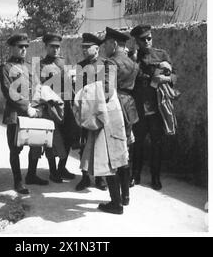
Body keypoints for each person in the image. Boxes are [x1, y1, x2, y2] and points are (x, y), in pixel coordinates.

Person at [0, 33, 48, 195]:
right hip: (15, 113)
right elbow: (9, 91)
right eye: (20, 47)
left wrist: (39, 105)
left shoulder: (29, 66)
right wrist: (27, 107)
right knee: (15, 148)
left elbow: (37, 87)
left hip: (32, 112)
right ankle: (18, 180)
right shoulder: (5, 67)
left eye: (26, 47)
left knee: (35, 145)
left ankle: (32, 175)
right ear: (12, 48)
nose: (24, 50)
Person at [130, 25, 177, 190]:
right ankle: (135, 175)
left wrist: (161, 79)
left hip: (157, 107)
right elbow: (129, 80)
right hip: (140, 107)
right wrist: (134, 60)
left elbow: (174, 76)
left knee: (157, 143)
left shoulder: (161, 54)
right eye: (143, 39)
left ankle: (155, 177)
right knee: (138, 142)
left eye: (149, 37)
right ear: (137, 41)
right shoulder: (133, 57)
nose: (147, 41)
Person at [102, 27, 139, 206]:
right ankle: (125, 197)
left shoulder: (110, 63)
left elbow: (107, 92)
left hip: (115, 108)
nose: (104, 48)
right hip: (130, 107)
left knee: (111, 155)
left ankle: (115, 203)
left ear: (114, 44)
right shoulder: (133, 63)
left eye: (106, 44)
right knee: (124, 154)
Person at [37, 33, 75, 183]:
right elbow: (40, 87)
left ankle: (61, 168)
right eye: (52, 46)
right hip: (51, 106)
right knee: (51, 139)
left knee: (70, 137)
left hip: (67, 106)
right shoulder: (41, 65)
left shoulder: (64, 63)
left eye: (57, 47)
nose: (55, 49)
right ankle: (53, 171)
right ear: (46, 47)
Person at [74, 33, 108, 192]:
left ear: (97, 48)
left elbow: (109, 90)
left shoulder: (106, 65)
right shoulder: (79, 66)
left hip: (100, 111)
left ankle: (100, 178)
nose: (84, 50)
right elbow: (74, 91)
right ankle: (85, 176)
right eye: (83, 47)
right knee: (84, 144)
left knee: (100, 145)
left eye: (87, 47)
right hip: (85, 111)